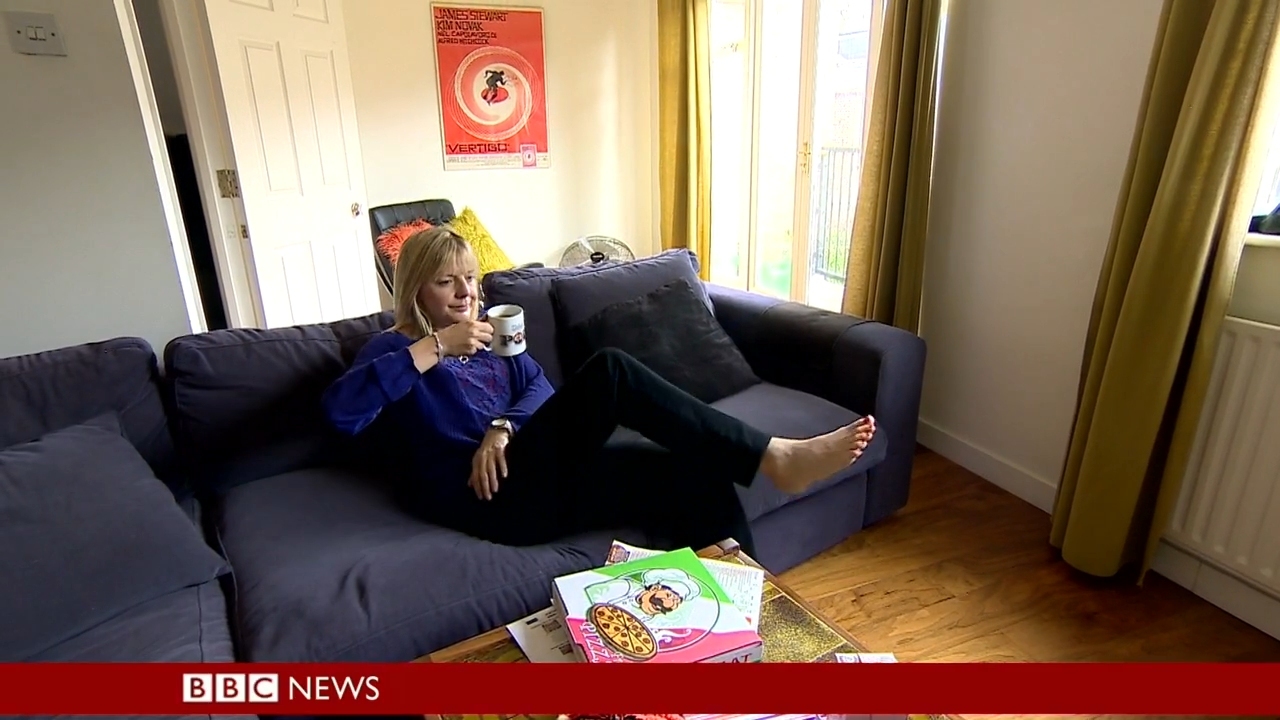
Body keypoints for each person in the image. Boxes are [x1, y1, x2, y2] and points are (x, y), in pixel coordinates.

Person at [322, 227, 876, 557]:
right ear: (415, 287)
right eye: (446, 281)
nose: (466, 291)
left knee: (698, 471)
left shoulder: (489, 336)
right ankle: (772, 457)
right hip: (488, 501)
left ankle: (742, 630)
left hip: (537, 475)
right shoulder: (392, 350)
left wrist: (503, 426)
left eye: (469, 277)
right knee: (609, 371)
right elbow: (341, 414)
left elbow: (538, 386)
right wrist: (436, 347)